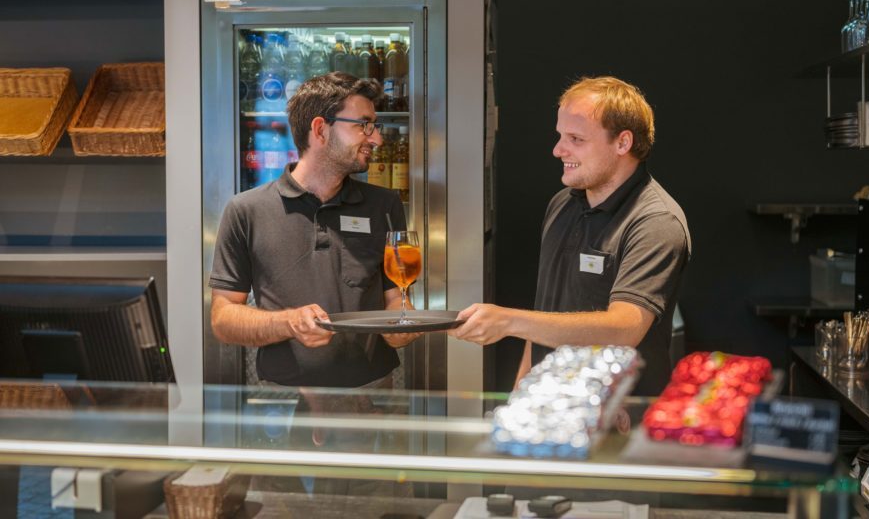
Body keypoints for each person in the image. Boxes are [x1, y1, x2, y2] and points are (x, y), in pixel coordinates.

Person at [450, 76, 691, 395]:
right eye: (560, 136)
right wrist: (520, 390)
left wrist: (508, 321)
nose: (558, 150)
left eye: (576, 139)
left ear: (622, 143)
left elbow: (625, 328)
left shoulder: (655, 221)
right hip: (549, 403)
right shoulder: (563, 203)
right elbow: (544, 313)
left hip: (616, 415)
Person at [209, 72, 418, 389]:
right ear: (320, 129)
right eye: (363, 125)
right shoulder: (246, 210)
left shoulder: (384, 205)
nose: (376, 139)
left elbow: (397, 300)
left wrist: (402, 325)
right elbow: (223, 319)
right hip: (283, 399)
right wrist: (290, 322)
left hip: (373, 394)